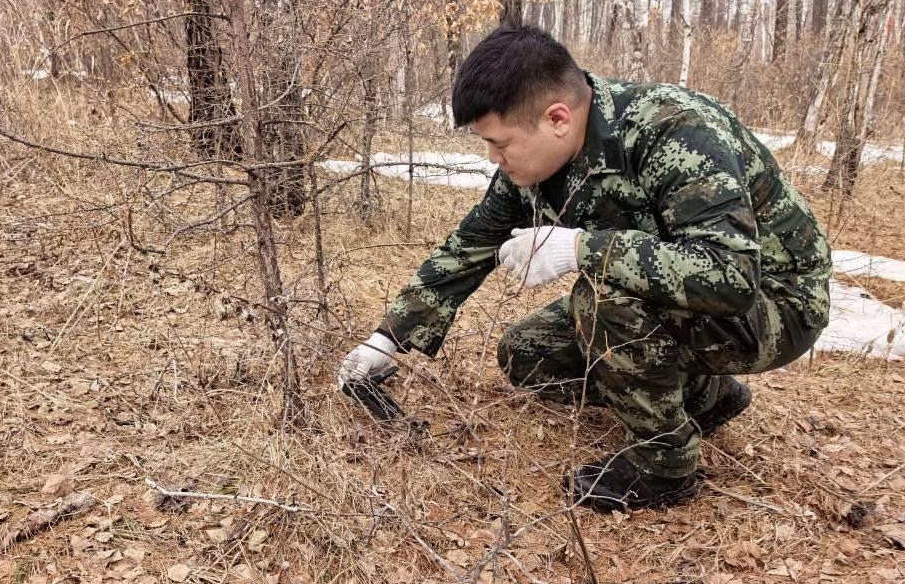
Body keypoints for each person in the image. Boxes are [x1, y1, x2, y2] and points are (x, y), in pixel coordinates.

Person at [338, 26, 832, 512]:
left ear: (557, 118)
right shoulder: (536, 162)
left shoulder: (673, 130)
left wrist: (581, 248)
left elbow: (730, 276)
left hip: (775, 303)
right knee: (528, 354)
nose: (493, 158)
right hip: (686, 301)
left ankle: (664, 465)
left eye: (500, 143)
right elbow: (471, 244)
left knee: (600, 298)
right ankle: (708, 397)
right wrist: (387, 339)